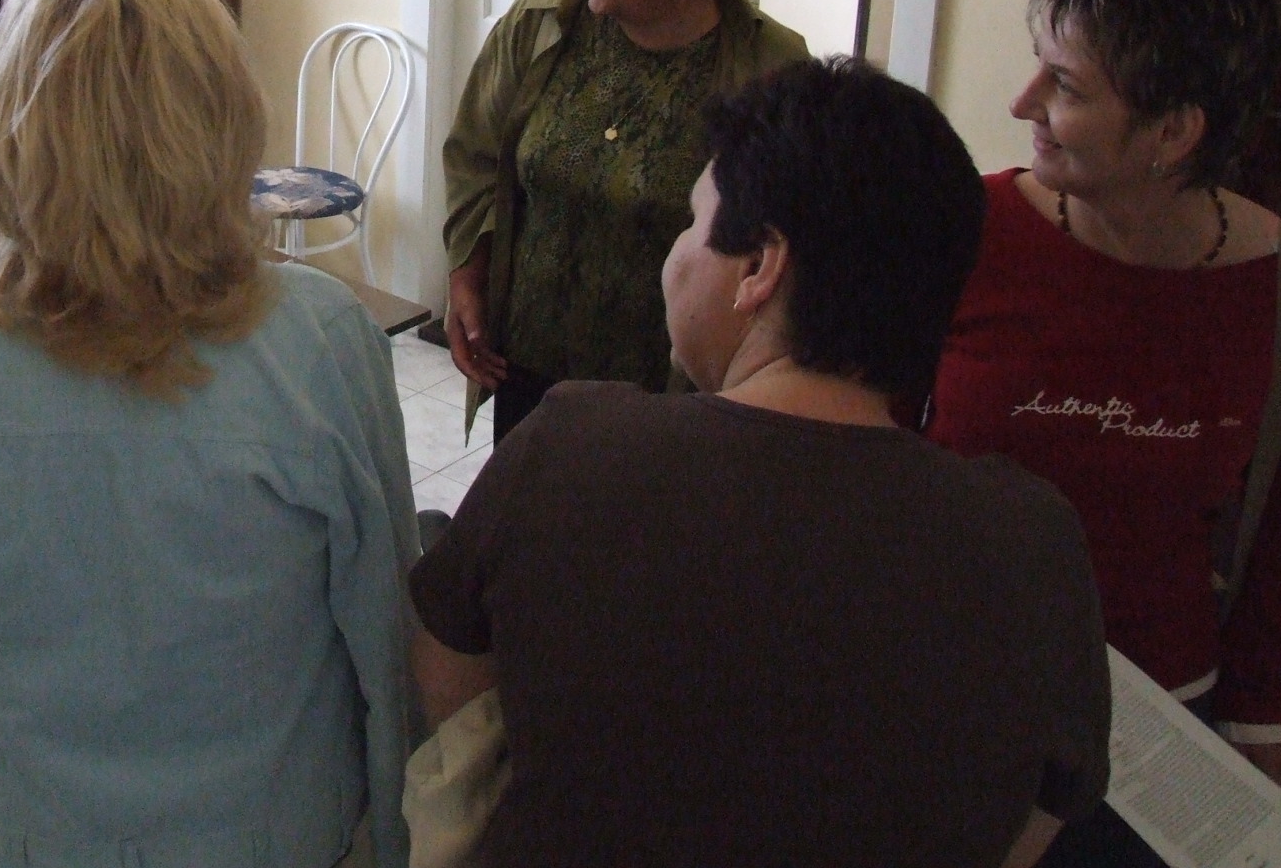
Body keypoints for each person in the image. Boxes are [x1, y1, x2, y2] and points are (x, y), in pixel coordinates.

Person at [0, 0, 419, 868]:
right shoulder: (323, 343)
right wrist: (401, 841)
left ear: (1, 129)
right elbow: (388, 648)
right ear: (225, 125)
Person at [411, 57, 1111, 867]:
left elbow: (449, 686)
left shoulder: (574, 447)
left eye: (691, 223)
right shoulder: (1033, 540)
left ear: (759, 268)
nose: (676, 256)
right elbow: (1040, 811)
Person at [926, 0, 1281, 862]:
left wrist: (1255, 707)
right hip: (950, 690)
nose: (1023, 101)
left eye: (1066, 83)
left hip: (1153, 735)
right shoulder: (965, 230)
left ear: (1174, 130)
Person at [440, 0, 806, 440]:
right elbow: (474, 158)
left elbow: (785, 241)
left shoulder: (768, 71)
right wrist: (465, 277)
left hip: (671, 395)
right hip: (528, 367)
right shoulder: (541, 23)